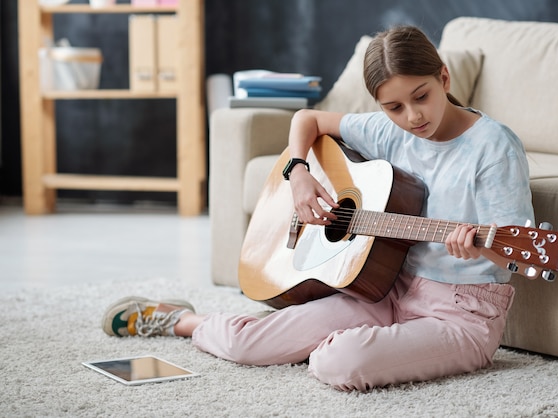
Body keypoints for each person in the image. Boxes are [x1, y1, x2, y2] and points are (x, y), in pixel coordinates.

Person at [102, 25, 534, 392]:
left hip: (463, 313)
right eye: (394, 107)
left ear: (444, 78)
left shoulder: (493, 147)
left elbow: (516, 253)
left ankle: (352, 339)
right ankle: (180, 319)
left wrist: (478, 246)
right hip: (386, 289)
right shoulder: (390, 131)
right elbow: (306, 120)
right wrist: (299, 173)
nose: (411, 117)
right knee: (245, 347)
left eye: (421, 96)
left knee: (337, 363)